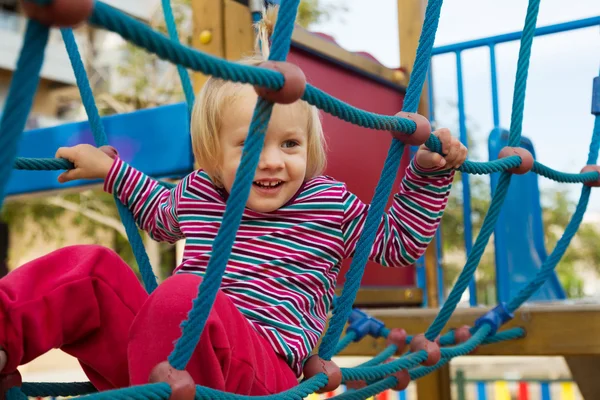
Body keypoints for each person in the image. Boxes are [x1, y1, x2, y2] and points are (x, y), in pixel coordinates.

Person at [0, 17, 467, 397]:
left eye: (289, 143)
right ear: (211, 155)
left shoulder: (328, 201)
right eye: (248, 145)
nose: (270, 160)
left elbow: (397, 244)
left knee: (183, 296)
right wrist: (110, 172)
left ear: (309, 147)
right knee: (91, 270)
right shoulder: (201, 191)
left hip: (257, 375)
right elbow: (159, 211)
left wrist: (428, 174)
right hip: (164, 371)